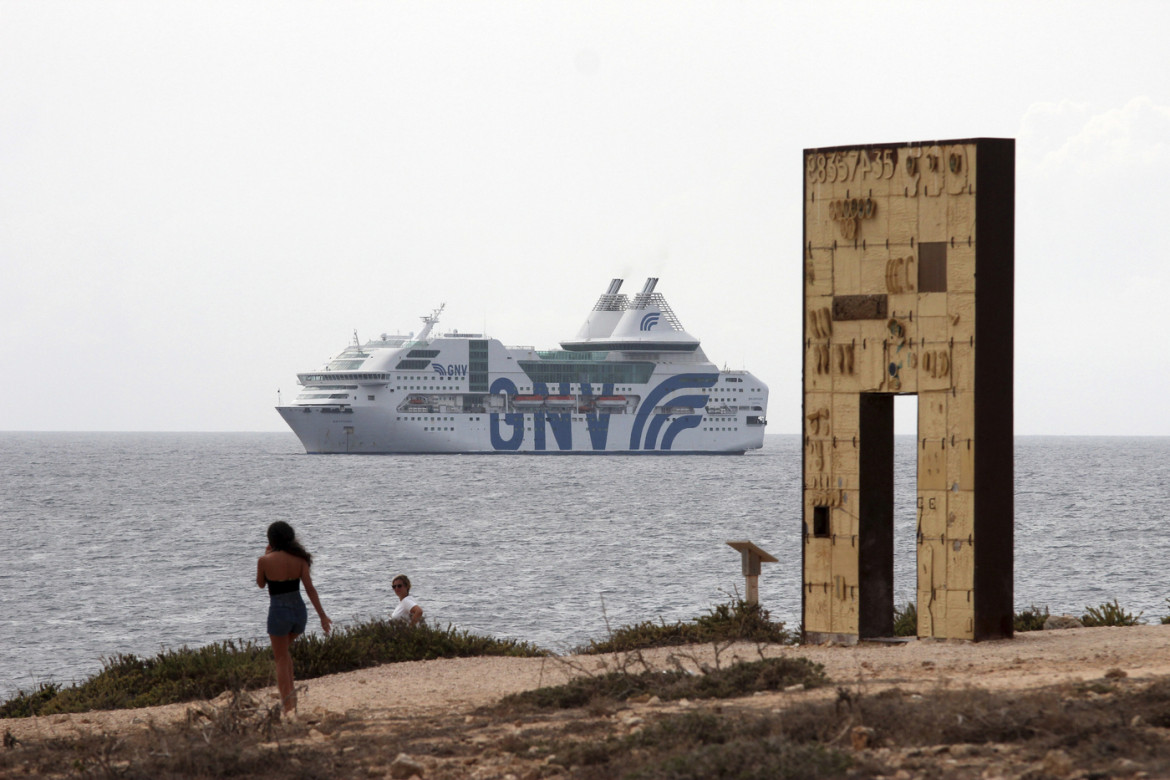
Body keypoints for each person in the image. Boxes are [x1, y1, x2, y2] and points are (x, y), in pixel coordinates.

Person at [256, 521, 331, 716]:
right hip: (299, 612)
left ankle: (288, 705)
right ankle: (292, 700)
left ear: (271, 540)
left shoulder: (265, 561)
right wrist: (322, 616)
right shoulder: (300, 559)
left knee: (280, 658)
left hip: (278, 612)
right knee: (285, 654)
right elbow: (310, 589)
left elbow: (261, 584)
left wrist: (266, 555)